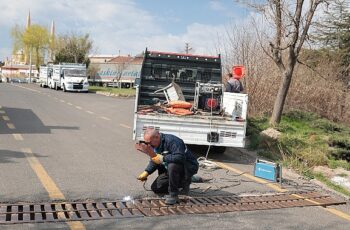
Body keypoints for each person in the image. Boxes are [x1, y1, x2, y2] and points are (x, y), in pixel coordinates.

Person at [135, 128, 199, 205]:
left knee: (172, 165)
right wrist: (147, 172)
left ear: (157, 137)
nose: (149, 145)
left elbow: (180, 157)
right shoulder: (155, 145)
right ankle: (182, 181)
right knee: (156, 188)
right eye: (147, 142)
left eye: (150, 142)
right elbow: (155, 159)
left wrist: (163, 158)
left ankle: (174, 195)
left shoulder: (173, 141)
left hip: (188, 166)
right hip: (172, 170)